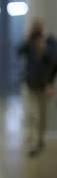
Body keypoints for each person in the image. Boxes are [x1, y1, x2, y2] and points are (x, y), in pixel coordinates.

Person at [18, 19, 57, 157]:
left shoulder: (50, 40)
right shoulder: (30, 41)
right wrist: (27, 38)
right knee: (31, 113)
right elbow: (19, 51)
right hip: (30, 83)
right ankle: (33, 140)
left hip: (43, 84)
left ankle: (39, 140)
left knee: (41, 115)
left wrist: (50, 83)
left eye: (38, 26)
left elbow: (53, 60)